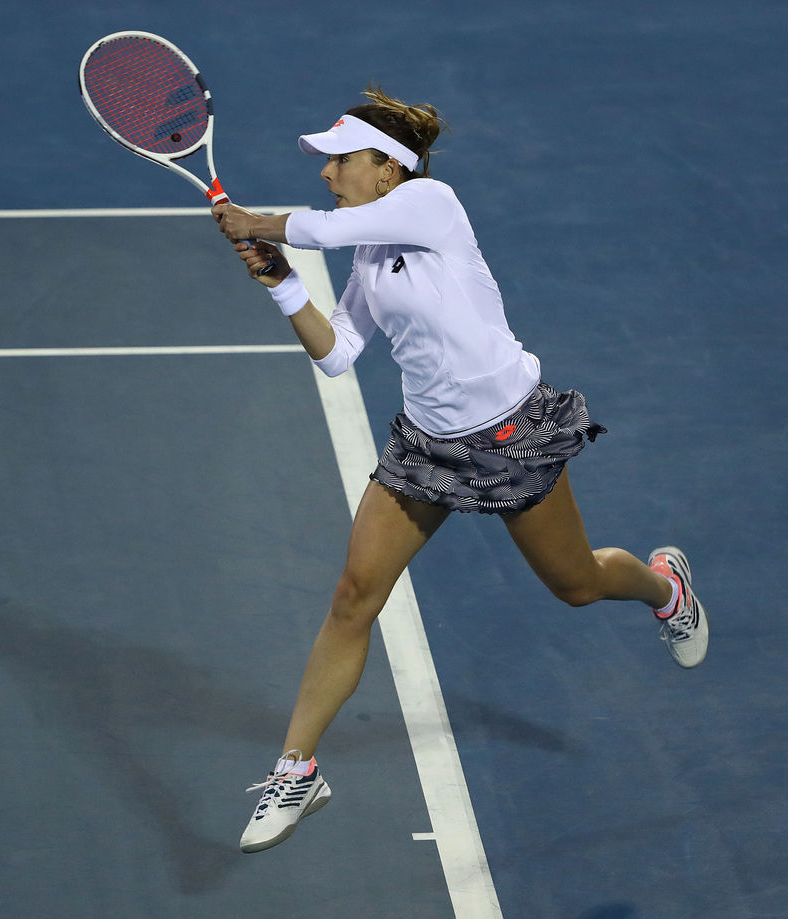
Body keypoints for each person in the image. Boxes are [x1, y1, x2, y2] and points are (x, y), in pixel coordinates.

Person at [212, 87, 708, 854]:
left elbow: (322, 226)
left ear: (388, 169)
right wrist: (281, 281)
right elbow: (339, 353)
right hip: (426, 447)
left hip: (511, 437)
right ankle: (297, 769)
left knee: (575, 585)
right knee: (353, 597)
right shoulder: (372, 257)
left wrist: (253, 221)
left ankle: (663, 587)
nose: (327, 172)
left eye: (340, 160)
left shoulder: (435, 203)